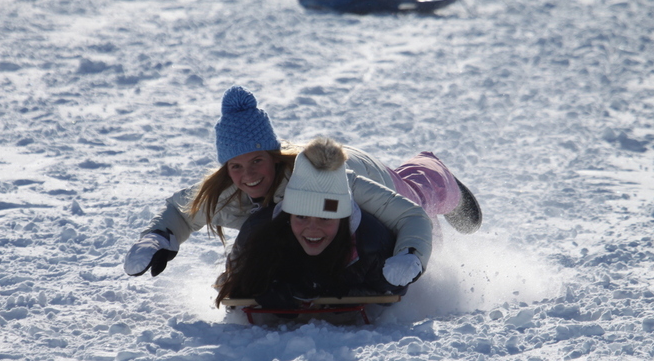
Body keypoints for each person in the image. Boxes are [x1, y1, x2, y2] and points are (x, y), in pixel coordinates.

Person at [123, 85, 470, 279]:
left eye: (258, 161)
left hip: (367, 174)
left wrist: (411, 254)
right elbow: (182, 211)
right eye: (237, 166)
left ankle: (432, 170)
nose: (249, 175)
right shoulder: (228, 190)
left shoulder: (322, 181)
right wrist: (158, 238)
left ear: (273, 158)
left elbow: (407, 216)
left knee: (420, 201)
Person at [214, 138, 426, 308]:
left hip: (379, 176)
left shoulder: (371, 246)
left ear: (342, 220)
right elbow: (232, 285)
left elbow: (393, 288)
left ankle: (431, 167)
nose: (312, 229)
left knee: (421, 188)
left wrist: (330, 288)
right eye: (301, 217)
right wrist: (263, 287)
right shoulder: (256, 233)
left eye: (325, 218)